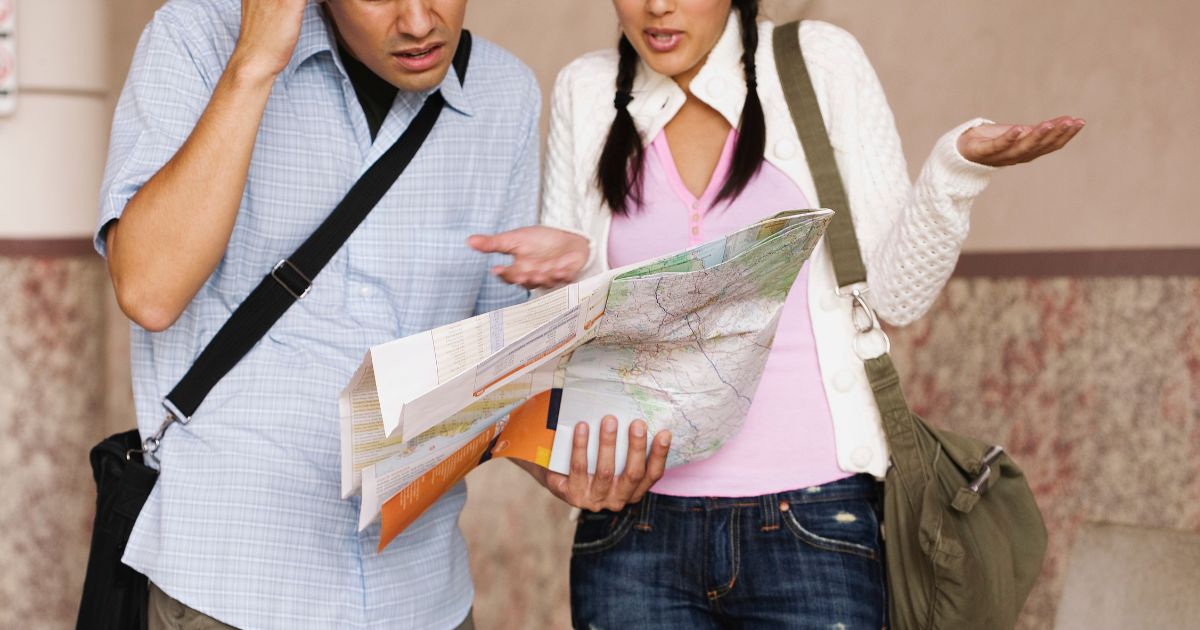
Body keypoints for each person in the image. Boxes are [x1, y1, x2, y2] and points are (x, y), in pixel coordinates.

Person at [468, 0, 1083, 627]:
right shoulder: (588, 88)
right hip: (634, 529)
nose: (657, 6)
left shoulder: (817, 61)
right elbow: (575, 340)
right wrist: (569, 269)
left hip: (812, 523)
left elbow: (898, 297)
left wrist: (955, 169)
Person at [97, 0, 544, 627]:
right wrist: (253, 65)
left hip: (420, 594)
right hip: (234, 589)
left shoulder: (505, 94)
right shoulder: (196, 37)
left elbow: (499, 366)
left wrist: (563, 445)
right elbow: (148, 290)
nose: (419, 22)